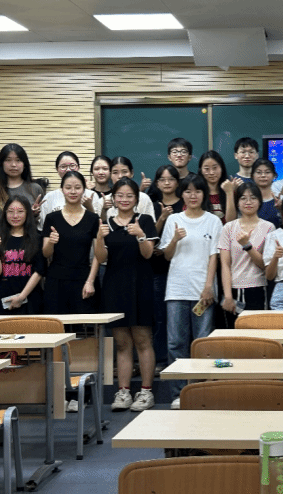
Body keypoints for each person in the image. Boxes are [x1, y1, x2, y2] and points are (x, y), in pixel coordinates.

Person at [94, 177, 159, 413]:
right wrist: (99, 238)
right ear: (113, 198)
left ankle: (146, 391)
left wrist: (140, 234)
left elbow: (148, 254)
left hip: (140, 285)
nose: (124, 200)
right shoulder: (106, 223)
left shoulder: (145, 220)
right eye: (119, 195)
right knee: (122, 343)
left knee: (142, 340)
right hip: (114, 286)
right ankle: (123, 392)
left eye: (129, 196)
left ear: (136, 199)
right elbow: (101, 258)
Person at [158, 174, 223, 408]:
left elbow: (214, 256)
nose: (192, 195)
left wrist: (208, 287)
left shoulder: (213, 221)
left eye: (197, 191)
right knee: (175, 343)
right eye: (188, 191)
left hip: (202, 292)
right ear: (182, 194)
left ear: (204, 194)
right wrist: (175, 239)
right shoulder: (174, 219)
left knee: (202, 344)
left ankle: (201, 391)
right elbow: (167, 255)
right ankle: (179, 394)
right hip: (177, 290)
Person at [41, 171, 100, 314]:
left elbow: (98, 255)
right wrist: (51, 242)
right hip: (56, 281)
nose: (73, 192)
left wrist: (90, 281)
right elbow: (46, 253)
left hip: (83, 280)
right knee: (57, 325)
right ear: (62, 190)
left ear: (84, 190)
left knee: (84, 325)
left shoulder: (92, 218)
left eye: (77, 187)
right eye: (68, 187)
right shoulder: (52, 218)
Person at [220, 182, 276, 321]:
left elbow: (265, 265)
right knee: (235, 332)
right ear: (237, 202)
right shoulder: (229, 227)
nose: (248, 202)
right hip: (234, 288)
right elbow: (225, 265)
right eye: (243, 198)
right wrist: (228, 296)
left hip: (259, 287)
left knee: (258, 331)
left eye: (253, 198)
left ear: (260, 201)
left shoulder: (269, 228)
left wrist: (247, 245)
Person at [150, 164, 183, 367]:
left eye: (171, 179)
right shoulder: (152, 206)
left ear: (177, 182)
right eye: (163, 180)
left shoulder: (186, 203)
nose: (167, 183)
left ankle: (183, 360)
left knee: (180, 318)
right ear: (157, 183)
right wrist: (162, 218)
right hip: (158, 268)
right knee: (160, 315)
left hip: (182, 268)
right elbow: (149, 236)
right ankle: (162, 359)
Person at [0, 196, 45, 315]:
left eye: (20, 211)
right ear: (5, 213)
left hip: (31, 298)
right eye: (10, 211)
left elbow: (39, 271)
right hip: (4, 297)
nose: (15, 216)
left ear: (27, 213)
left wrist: (21, 297)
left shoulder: (37, 238)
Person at [0, 143, 44, 238]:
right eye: (8, 160)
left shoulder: (35, 189)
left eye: (18, 160)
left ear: (24, 164)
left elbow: (41, 225)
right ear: (1, 163)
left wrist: (32, 215)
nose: (13, 165)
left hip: (29, 244)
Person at [38, 151, 96, 229]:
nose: (68, 169)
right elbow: (43, 226)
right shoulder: (49, 197)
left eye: (72, 165)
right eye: (63, 166)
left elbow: (98, 225)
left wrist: (89, 207)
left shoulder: (91, 195)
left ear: (78, 167)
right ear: (57, 169)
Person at [98, 157, 156, 221]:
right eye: (115, 172)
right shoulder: (102, 202)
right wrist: (104, 211)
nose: (120, 176)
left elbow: (151, 225)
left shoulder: (144, 198)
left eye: (124, 172)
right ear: (110, 175)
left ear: (132, 173)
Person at [198, 150, 236, 224]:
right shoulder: (197, 192)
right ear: (201, 170)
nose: (211, 172)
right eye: (206, 169)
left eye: (215, 168)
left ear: (221, 168)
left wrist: (229, 192)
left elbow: (231, 222)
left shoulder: (229, 190)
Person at [251, 158, 281, 228]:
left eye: (267, 172)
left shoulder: (280, 197)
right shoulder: (248, 199)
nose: (263, 175)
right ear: (252, 176)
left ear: (274, 175)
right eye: (259, 172)